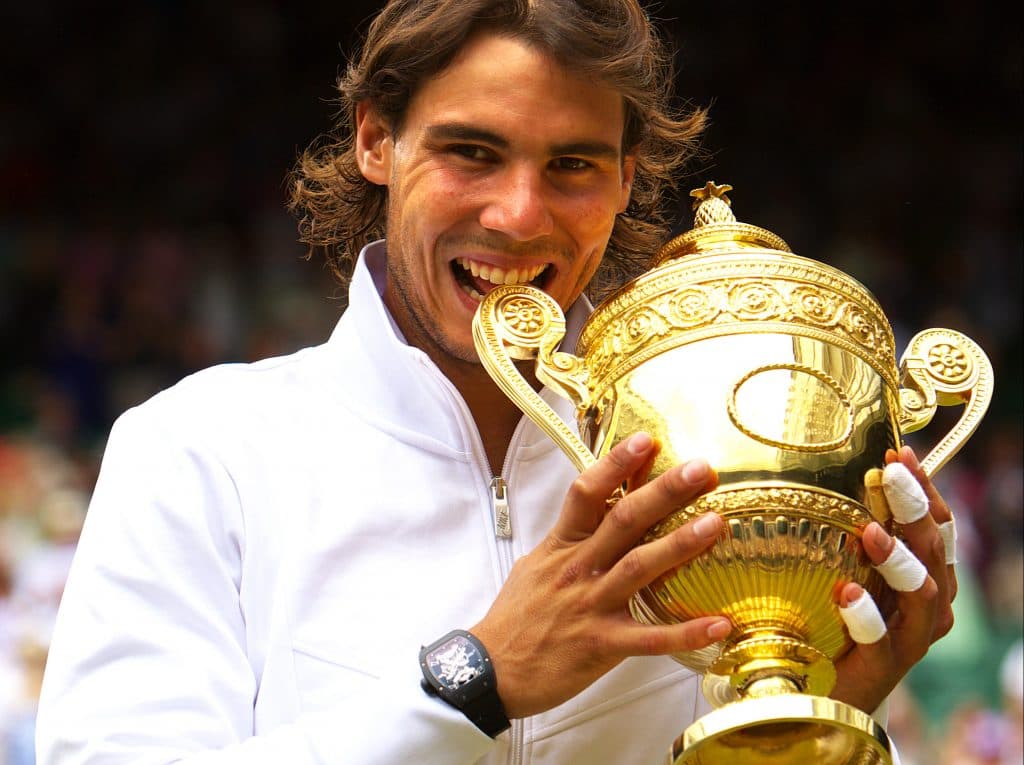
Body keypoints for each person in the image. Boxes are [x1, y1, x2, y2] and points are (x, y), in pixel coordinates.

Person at [35, 1, 958, 762]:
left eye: (573, 166)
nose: (518, 215)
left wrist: (820, 715)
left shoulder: (712, 468)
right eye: (471, 152)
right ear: (374, 142)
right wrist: (471, 682)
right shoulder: (202, 449)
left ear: (629, 181)